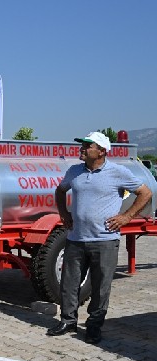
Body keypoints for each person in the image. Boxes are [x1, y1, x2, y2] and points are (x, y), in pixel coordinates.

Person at [47, 132, 152, 344]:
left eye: (88, 146)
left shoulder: (118, 172)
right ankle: (68, 321)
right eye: (83, 145)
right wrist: (64, 213)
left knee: (100, 286)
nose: (82, 149)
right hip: (76, 238)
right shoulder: (75, 171)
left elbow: (145, 193)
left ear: (102, 151)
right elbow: (60, 191)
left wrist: (126, 216)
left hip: (104, 240)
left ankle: (94, 326)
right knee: (69, 284)